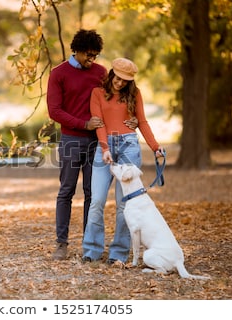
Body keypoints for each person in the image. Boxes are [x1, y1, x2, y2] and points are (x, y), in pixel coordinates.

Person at [47, 30, 137, 261]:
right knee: (66, 191)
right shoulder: (58, 73)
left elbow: (117, 98)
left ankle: (89, 246)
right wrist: (83, 124)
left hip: (96, 142)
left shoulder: (100, 73)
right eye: (89, 54)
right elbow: (54, 111)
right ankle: (61, 243)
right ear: (76, 50)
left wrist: (133, 118)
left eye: (96, 55)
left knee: (92, 194)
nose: (92, 60)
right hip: (70, 140)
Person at [81, 57, 165, 264]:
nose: (119, 83)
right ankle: (91, 250)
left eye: (124, 80)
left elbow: (142, 121)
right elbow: (99, 123)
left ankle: (118, 253)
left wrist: (155, 147)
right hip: (105, 146)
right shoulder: (97, 93)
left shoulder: (134, 94)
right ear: (111, 74)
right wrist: (105, 148)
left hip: (129, 146)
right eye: (117, 78)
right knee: (97, 201)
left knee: (124, 205)